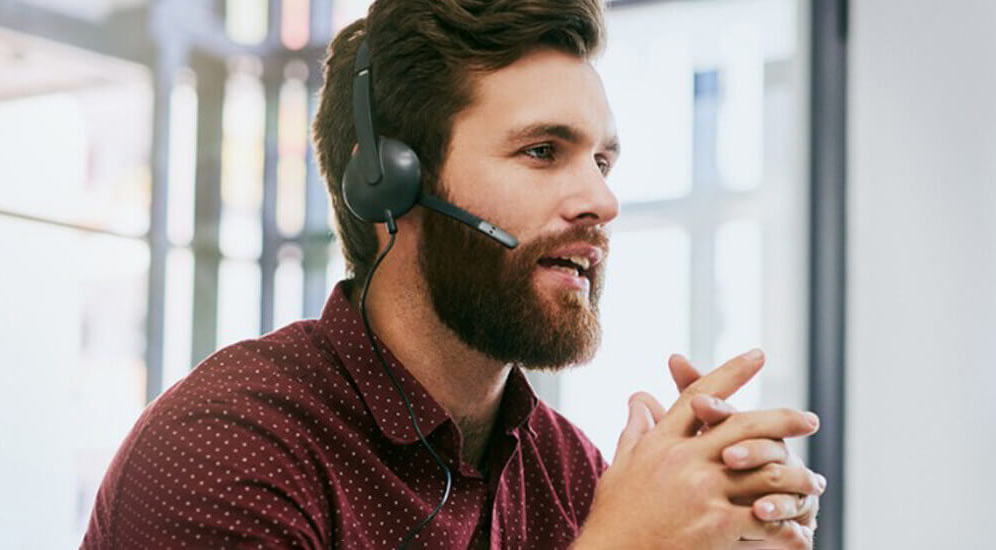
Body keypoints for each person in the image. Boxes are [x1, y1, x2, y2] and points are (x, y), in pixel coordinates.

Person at [79, 0, 823, 548]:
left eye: (601, 161)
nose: (601, 201)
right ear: (388, 185)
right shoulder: (228, 447)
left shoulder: (565, 474)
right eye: (541, 152)